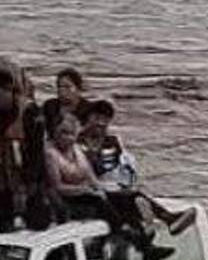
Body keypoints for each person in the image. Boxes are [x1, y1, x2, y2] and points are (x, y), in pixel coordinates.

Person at [44, 113, 174, 260]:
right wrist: (83, 189)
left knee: (128, 196)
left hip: (89, 193)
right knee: (99, 200)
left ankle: (163, 224)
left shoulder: (76, 150)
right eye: (63, 133)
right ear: (55, 133)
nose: (68, 138)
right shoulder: (50, 154)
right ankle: (131, 235)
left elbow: (91, 177)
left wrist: (104, 188)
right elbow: (58, 187)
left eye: (71, 134)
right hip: (70, 199)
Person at [78, 99, 198, 236]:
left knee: (130, 194)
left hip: (114, 186)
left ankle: (152, 225)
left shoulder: (112, 141)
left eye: (105, 120)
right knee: (132, 197)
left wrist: (125, 181)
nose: (101, 123)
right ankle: (166, 219)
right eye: (97, 118)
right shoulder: (78, 143)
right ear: (88, 118)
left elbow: (124, 165)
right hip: (91, 190)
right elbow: (87, 170)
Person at [0, 61, 50, 232]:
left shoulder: (31, 112)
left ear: (9, 91)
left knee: (38, 224)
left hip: (27, 176)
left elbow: (36, 154)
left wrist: (27, 188)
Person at [41, 67, 92, 133]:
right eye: (60, 87)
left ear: (78, 89)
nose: (62, 91)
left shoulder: (89, 109)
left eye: (67, 87)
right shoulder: (50, 106)